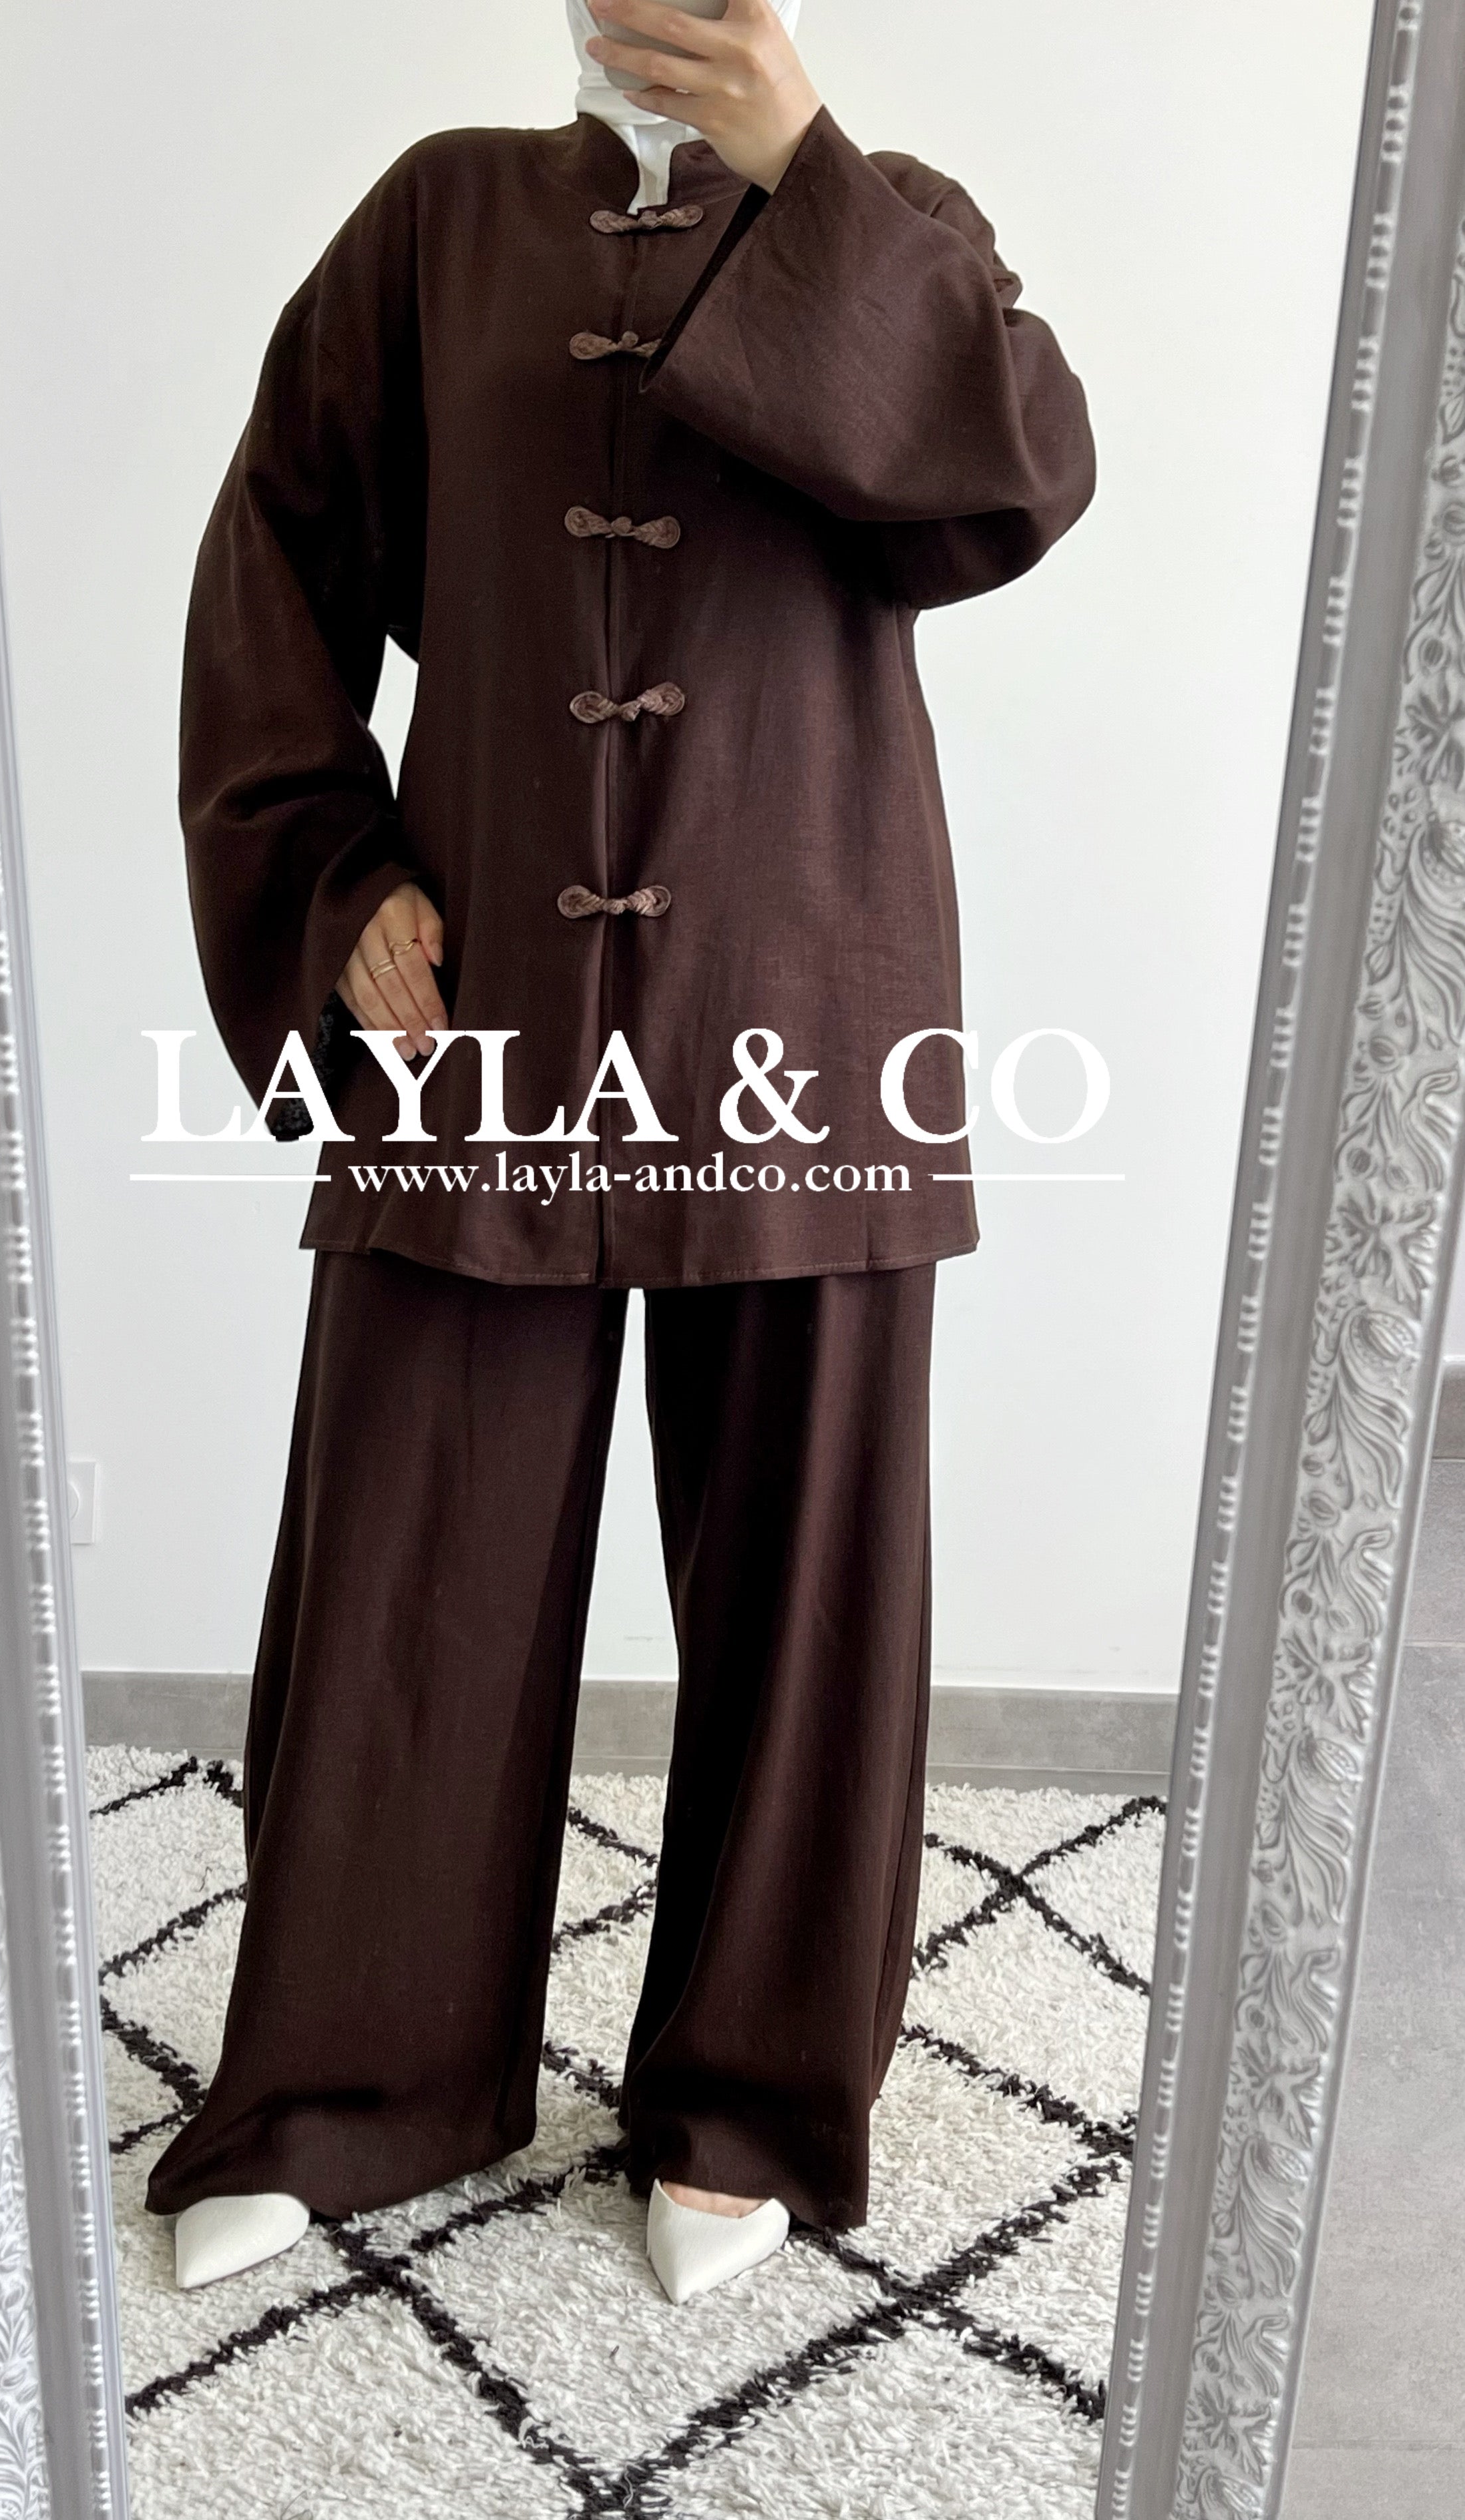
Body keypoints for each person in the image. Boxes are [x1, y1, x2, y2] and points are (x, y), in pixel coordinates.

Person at [146, 0, 1096, 2305]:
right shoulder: (437, 221)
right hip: (476, 999)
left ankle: (747, 2104)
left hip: (805, 992)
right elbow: (271, 572)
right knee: (406, 1553)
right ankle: (353, 2080)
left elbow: (1011, 480)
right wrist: (333, 874)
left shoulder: (898, 223)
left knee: (804, 1569)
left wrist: (802, 169)